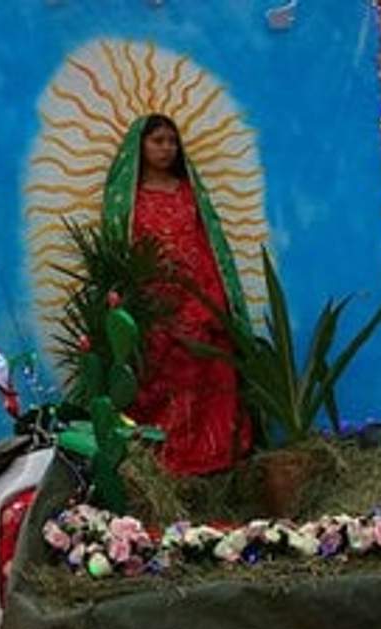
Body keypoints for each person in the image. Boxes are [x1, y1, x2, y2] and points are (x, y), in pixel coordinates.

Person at [103, 114, 252, 476]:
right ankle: (159, 468)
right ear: (140, 146)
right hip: (150, 310)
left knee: (206, 378)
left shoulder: (189, 195)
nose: (167, 148)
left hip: (194, 302)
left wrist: (211, 304)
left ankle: (209, 467)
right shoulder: (127, 201)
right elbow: (117, 252)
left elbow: (206, 248)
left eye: (172, 141)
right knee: (154, 387)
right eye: (158, 141)